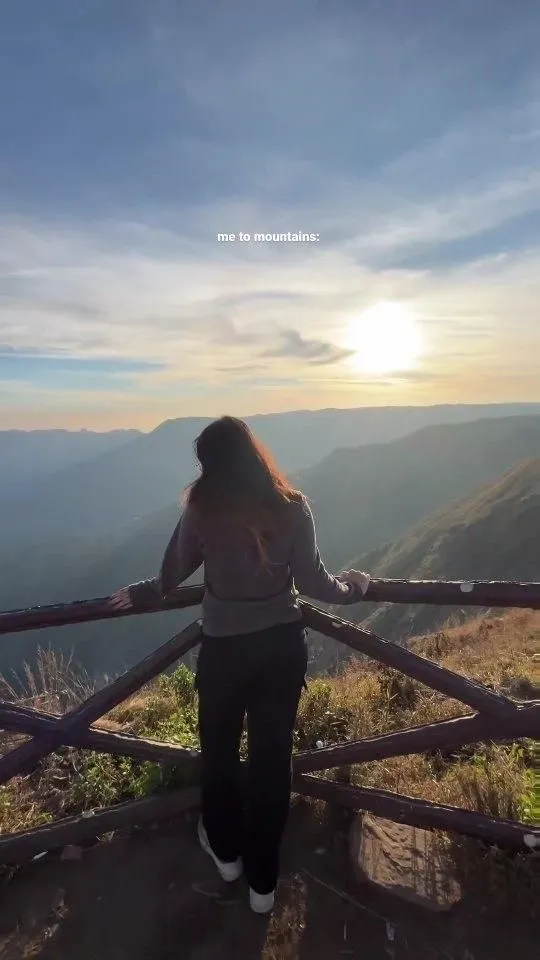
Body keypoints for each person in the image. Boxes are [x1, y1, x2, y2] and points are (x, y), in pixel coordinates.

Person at [110, 416, 370, 914]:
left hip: (225, 652)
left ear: (209, 464)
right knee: (273, 763)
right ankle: (263, 887)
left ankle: (227, 856)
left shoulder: (203, 508)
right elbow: (315, 584)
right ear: (253, 452)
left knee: (221, 754)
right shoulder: (293, 508)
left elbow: (176, 566)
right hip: (280, 649)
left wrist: (147, 591)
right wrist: (354, 590)